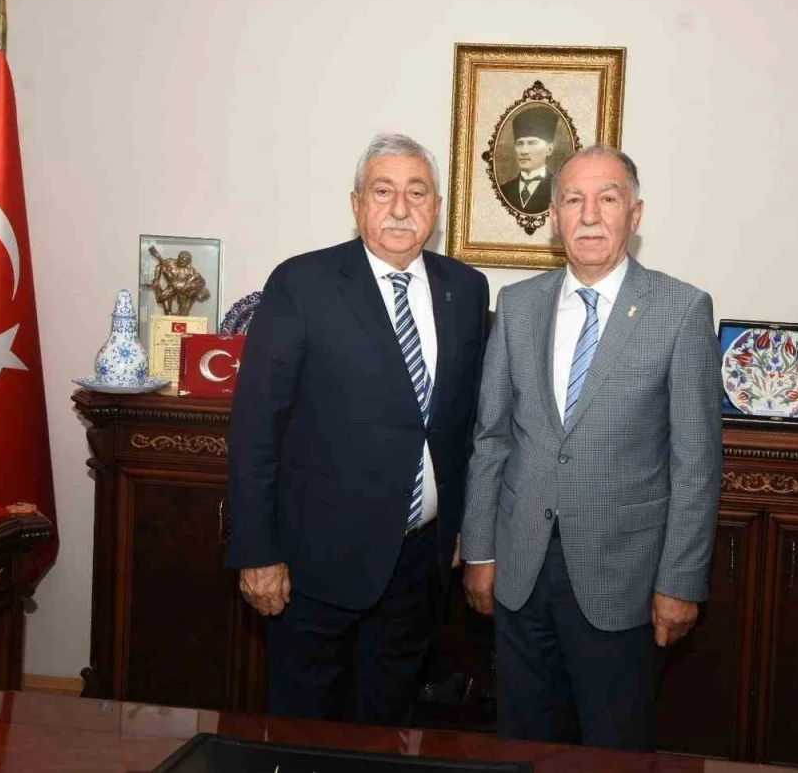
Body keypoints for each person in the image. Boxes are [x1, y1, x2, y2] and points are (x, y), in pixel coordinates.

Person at [462, 145, 722, 750]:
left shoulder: (681, 310)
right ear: (554, 217)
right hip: (521, 571)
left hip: (624, 578)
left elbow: (696, 465)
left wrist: (681, 580)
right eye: (573, 200)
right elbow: (491, 438)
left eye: (608, 198)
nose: (589, 215)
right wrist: (479, 550)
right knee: (522, 743)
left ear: (635, 213)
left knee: (614, 746)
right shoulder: (517, 306)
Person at [226, 133, 490, 724]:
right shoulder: (302, 284)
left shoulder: (466, 289)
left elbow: (466, 426)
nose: (400, 208)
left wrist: (463, 528)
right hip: (315, 565)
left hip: (420, 564)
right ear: (356, 203)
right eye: (382, 191)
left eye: (416, 192)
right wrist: (257, 552)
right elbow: (255, 429)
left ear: (436, 207)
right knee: (305, 733)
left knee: (387, 729)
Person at [497, 105, 561, 215]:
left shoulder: (559, 190)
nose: (524, 151)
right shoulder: (503, 191)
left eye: (532, 143)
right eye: (519, 143)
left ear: (549, 149)